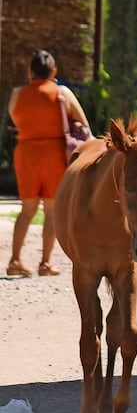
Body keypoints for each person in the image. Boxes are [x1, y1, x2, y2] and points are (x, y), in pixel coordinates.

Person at [6, 49, 91, 277]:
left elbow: (15, 118)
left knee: (27, 209)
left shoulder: (17, 94)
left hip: (26, 154)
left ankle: (15, 260)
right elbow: (83, 125)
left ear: (29, 71)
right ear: (54, 71)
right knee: (51, 211)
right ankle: (45, 263)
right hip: (54, 155)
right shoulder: (62, 93)